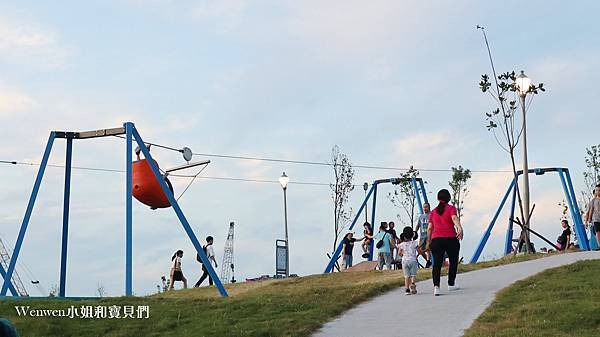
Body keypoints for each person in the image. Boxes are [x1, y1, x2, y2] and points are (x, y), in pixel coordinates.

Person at [426, 189, 463, 296]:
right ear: (448, 198)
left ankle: (436, 287)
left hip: (436, 239)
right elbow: (454, 218)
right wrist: (459, 228)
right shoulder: (451, 208)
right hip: (451, 238)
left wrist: (429, 241)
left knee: (436, 264)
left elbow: (429, 228)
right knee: (453, 261)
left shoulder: (433, 212)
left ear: (438, 198)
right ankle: (451, 284)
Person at [398, 226, 419, 295]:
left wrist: (403, 255)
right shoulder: (415, 243)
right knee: (413, 274)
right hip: (413, 260)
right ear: (412, 235)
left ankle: (407, 289)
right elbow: (419, 250)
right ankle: (412, 284)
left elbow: (399, 253)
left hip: (405, 261)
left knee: (406, 276)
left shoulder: (401, 245)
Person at [415, 202, 432, 267]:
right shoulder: (421, 216)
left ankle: (428, 261)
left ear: (429, 207)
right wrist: (415, 232)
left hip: (429, 235)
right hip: (422, 236)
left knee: (428, 249)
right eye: (424, 207)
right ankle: (428, 261)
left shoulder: (431, 215)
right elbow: (418, 225)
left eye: (426, 207)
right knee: (419, 249)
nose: (425, 208)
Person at [585, 184, 600, 251]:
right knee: (597, 231)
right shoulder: (593, 201)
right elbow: (590, 211)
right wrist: (588, 220)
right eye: (596, 190)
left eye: (599, 190)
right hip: (596, 219)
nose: (597, 192)